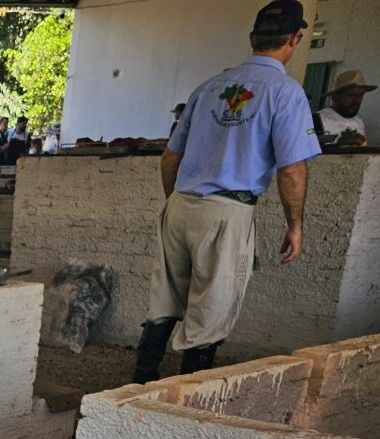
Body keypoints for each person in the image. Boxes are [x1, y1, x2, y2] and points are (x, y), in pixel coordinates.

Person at [132, 0, 322, 383]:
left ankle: (141, 377)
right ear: (295, 39)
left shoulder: (210, 87)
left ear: (252, 38)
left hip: (181, 204)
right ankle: (187, 394)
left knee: (165, 297)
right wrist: (295, 226)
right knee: (212, 308)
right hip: (227, 211)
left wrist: (175, 204)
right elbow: (291, 169)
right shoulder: (286, 93)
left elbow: (170, 157)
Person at [318, 69, 374, 141]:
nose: (357, 100)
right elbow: (308, 136)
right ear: (334, 97)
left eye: (361, 95)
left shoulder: (358, 121)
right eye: (352, 95)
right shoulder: (319, 120)